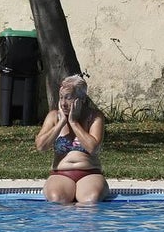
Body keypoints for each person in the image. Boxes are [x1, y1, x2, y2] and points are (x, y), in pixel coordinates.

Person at [34, 75, 110, 204]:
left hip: (89, 172)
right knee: (57, 200)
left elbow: (93, 148)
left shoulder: (94, 117)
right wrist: (61, 122)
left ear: (82, 99)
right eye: (61, 97)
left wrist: (74, 122)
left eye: (69, 98)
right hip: (61, 173)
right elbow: (41, 146)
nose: (63, 103)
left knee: (90, 201)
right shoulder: (53, 116)